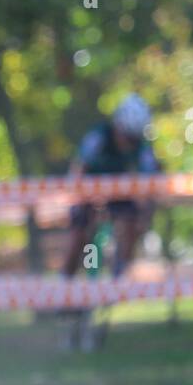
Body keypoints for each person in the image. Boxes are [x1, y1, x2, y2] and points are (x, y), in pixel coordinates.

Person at [61, 93, 160, 279]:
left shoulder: (141, 146)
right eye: (127, 137)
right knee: (79, 235)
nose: (129, 144)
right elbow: (78, 168)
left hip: (118, 195)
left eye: (133, 139)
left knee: (134, 221)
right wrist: (81, 196)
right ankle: (66, 283)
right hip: (87, 194)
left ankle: (119, 273)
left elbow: (150, 176)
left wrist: (144, 207)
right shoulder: (98, 137)